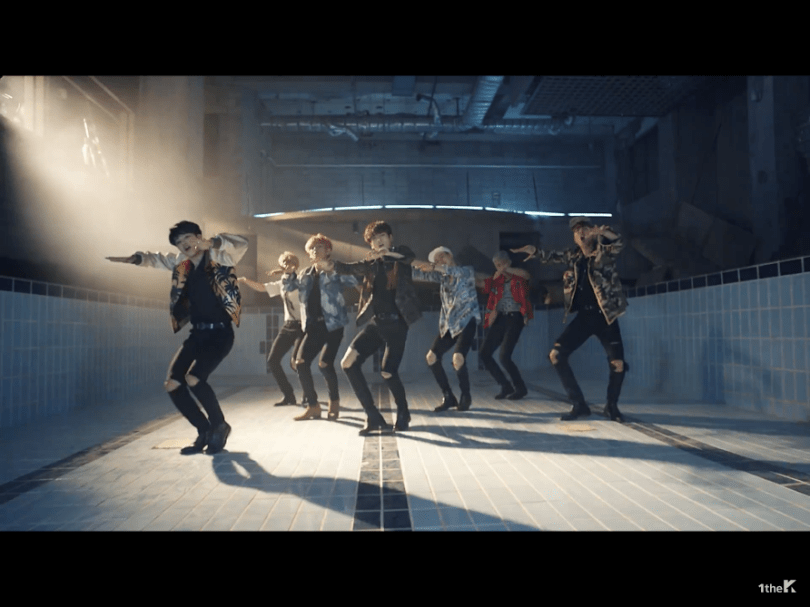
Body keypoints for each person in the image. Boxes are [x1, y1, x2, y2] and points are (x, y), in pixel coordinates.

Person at [106, 221, 248, 454]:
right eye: (179, 242)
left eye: (188, 238)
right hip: (197, 333)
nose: (184, 244)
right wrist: (136, 259)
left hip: (220, 333)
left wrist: (213, 242)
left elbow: (242, 243)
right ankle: (204, 430)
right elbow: (158, 259)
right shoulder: (182, 264)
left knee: (194, 378)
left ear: (199, 237)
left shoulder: (221, 257)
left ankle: (219, 425)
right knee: (172, 384)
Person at [513, 216, 628, 422]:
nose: (580, 233)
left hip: (606, 316)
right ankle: (579, 404)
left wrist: (603, 232)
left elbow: (619, 242)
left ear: (591, 232)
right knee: (556, 355)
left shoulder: (603, 252)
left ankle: (611, 407)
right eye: (576, 231)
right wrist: (534, 251)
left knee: (617, 364)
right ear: (574, 237)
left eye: (584, 229)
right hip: (585, 317)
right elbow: (551, 256)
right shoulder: (574, 256)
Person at [318, 221, 421, 435]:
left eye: (382, 236)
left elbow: (408, 258)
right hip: (377, 323)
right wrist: (330, 265)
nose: (379, 241)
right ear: (370, 244)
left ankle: (403, 412)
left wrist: (386, 255)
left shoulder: (400, 255)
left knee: (388, 371)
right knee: (348, 363)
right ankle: (373, 416)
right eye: (374, 239)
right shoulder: (371, 264)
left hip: (397, 324)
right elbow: (349, 267)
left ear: (390, 238)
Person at [283, 234, 359, 422]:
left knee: (325, 364)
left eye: (319, 247)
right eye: (312, 248)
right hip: (313, 326)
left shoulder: (336, 269)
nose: (315, 251)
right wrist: (289, 272)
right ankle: (313, 406)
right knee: (301, 363)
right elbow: (290, 287)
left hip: (333, 325)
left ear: (328, 250)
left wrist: (332, 270)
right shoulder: (305, 273)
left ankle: (334, 402)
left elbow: (354, 281)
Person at [412, 246, 481, 412]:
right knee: (431, 358)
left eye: (441, 257)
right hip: (449, 324)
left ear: (450, 255)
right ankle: (448, 396)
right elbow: (417, 273)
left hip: (467, 320)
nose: (439, 262)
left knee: (458, 358)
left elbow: (453, 271)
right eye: (436, 261)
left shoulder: (466, 271)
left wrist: (434, 267)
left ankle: (466, 396)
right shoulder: (441, 276)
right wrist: (397, 263)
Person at [237, 252, 303, 408]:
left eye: (290, 261)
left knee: (297, 362)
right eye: (283, 262)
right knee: (273, 361)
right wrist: (245, 280)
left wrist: (289, 272)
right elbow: (262, 288)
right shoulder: (281, 283)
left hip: (303, 326)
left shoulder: (302, 280)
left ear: (295, 264)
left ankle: (308, 395)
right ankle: (288, 395)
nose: (287, 263)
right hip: (288, 325)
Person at [477, 251, 532, 401]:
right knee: (484, 353)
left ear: (508, 263)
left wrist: (505, 270)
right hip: (501, 318)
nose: (500, 267)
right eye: (497, 265)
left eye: (502, 263)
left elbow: (526, 275)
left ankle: (520, 388)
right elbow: (486, 286)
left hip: (515, 317)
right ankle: (505, 385)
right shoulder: (498, 280)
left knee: (504, 356)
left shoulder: (517, 276)